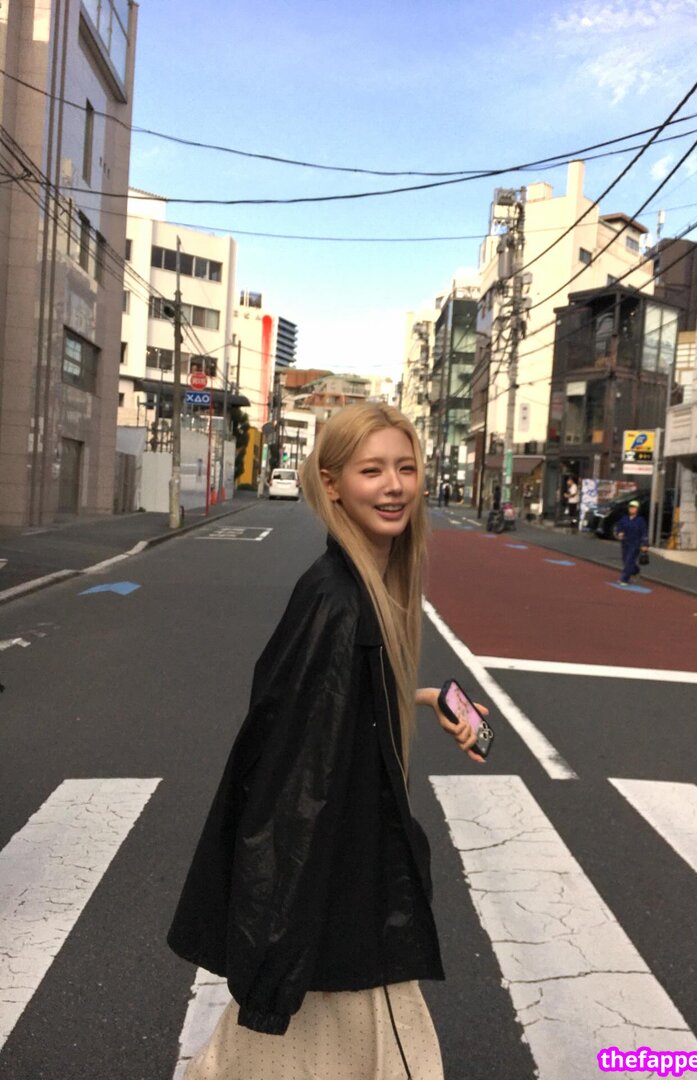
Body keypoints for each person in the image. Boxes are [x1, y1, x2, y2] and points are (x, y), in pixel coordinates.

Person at [167, 403, 485, 1080]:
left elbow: (332, 708)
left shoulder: (352, 587)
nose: (394, 486)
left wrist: (422, 697)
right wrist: (279, 935)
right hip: (343, 895)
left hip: (338, 895)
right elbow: (297, 786)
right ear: (333, 483)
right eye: (373, 471)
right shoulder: (339, 603)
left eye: (406, 468)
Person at [614, 500, 649, 585]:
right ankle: (636, 570)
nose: (632, 509)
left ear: (637, 509)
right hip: (625, 542)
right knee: (625, 560)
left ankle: (624, 579)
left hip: (635, 544)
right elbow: (619, 528)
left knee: (629, 561)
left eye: (634, 508)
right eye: (630, 507)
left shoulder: (640, 520)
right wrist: (619, 533)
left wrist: (644, 544)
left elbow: (644, 532)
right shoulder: (624, 519)